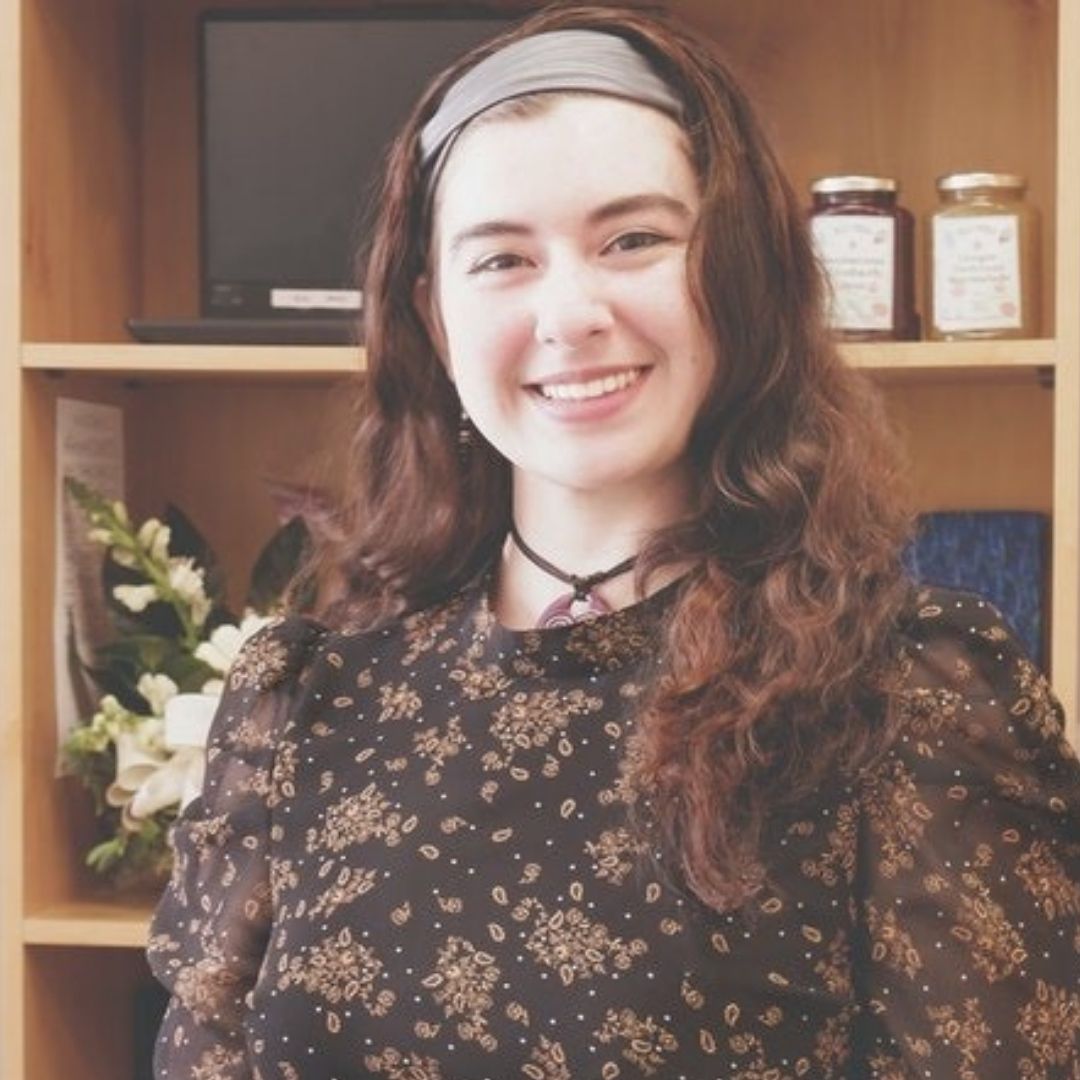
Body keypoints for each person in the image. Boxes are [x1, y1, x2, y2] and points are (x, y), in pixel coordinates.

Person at [148, 5, 1080, 1077]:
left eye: (633, 240)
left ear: (741, 271)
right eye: (503, 259)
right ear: (436, 319)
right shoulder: (307, 698)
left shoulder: (910, 692)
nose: (570, 313)